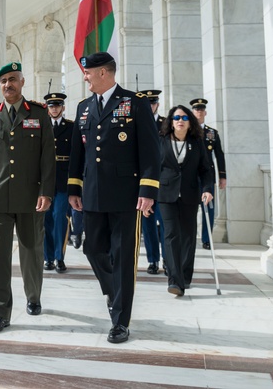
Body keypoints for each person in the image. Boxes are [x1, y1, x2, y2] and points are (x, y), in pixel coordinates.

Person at [68, 52, 160, 344]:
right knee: (92, 250)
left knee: (123, 259)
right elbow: (77, 154)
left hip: (126, 196)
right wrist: (73, 188)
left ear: (104, 73)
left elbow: (150, 151)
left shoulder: (134, 103)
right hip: (93, 196)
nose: (85, 77)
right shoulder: (83, 108)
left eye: (88, 73)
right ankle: (113, 289)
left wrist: (148, 190)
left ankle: (120, 320)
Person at [0, 62, 56, 334]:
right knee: (0, 256)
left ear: (22, 82)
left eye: (13, 79)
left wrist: (46, 192)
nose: (8, 84)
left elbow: (47, 157)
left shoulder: (39, 114)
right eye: (4, 81)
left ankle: (33, 296)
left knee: (32, 250)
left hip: (31, 196)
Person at [156, 105, 214, 296]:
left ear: (190, 123)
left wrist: (207, 190)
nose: (180, 120)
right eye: (176, 117)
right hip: (166, 195)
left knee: (188, 237)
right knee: (171, 235)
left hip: (189, 194)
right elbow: (152, 168)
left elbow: (206, 169)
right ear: (171, 122)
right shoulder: (161, 141)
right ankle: (174, 280)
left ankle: (185, 275)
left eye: (184, 118)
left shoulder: (197, 143)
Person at [191, 98, 226, 250]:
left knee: (209, 209)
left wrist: (222, 176)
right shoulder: (187, 131)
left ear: (205, 112)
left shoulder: (212, 133)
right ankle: (190, 237)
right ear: (192, 112)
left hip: (207, 177)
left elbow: (219, 155)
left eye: (201, 109)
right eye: (196, 109)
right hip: (191, 176)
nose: (199, 112)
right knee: (190, 208)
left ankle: (206, 239)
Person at [43, 91, 72, 273]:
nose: (54, 109)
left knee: (60, 217)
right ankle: (48, 258)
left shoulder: (71, 127)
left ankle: (59, 257)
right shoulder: (41, 126)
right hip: (45, 179)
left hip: (63, 179)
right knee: (46, 220)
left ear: (63, 107)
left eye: (57, 105)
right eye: (51, 106)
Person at [139, 89, 166, 275]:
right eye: (147, 103)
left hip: (163, 183)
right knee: (148, 226)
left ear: (157, 104)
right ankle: (153, 260)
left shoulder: (166, 124)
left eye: (153, 103)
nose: (150, 106)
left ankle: (168, 260)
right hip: (143, 182)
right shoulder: (136, 123)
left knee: (165, 224)